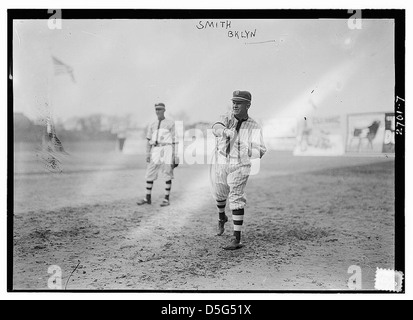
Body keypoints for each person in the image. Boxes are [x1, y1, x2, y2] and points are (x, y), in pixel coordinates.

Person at [211, 90, 267, 250]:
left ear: (248, 105)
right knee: (220, 193)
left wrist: (248, 148)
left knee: (236, 195)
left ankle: (237, 238)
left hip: (240, 164)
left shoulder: (254, 126)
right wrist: (224, 131)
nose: (235, 105)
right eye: (234, 102)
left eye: (239, 102)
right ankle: (222, 217)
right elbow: (215, 127)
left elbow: (261, 151)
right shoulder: (226, 117)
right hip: (222, 159)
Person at [137, 103, 179, 207]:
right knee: (150, 173)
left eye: (160, 109)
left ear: (164, 110)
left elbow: (174, 140)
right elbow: (148, 140)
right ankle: (147, 197)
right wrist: (147, 154)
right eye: (156, 109)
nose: (157, 111)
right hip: (155, 149)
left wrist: (174, 155)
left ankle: (166, 198)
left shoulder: (170, 123)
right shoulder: (152, 124)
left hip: (167, 148)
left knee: (167, 173)